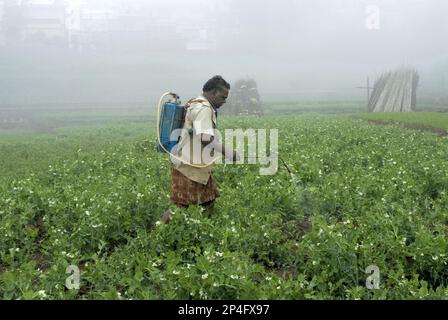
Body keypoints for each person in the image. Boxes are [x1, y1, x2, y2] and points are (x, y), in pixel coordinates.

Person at [161, 75, 240, 223]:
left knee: (208, 199)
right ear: (213, 93)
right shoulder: (204, 109)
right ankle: (160, 232)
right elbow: (204, 137)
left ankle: (204, 230)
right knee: (179, 206)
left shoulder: (196, 102)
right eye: (223, 97)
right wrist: (227, 152)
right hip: (189, 166)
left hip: (197, 165)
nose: (224, 101)